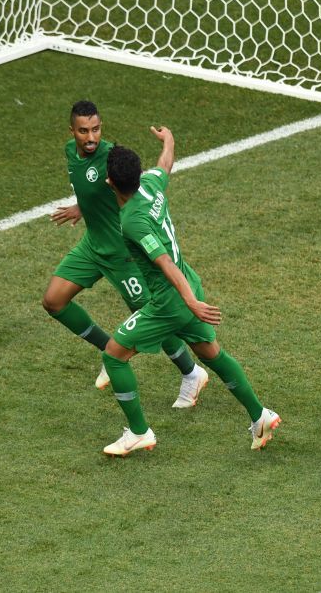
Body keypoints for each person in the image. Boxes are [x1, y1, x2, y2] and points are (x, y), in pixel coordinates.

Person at [98, 125, 280, 456]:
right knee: (212, 354)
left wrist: (190, 302)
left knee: (114, 355)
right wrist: (169, 139)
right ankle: (260, 416)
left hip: (171, 300)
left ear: (111, 183)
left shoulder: (132, 222)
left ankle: (139, 432)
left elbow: (164, 262)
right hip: (187, 282)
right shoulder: (152, 185)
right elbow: (165, 163)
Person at [41, 101, 209, 409]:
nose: (91, 137)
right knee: (53, 301)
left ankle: (191, 372)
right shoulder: (70, 152)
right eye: (83, 131)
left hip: (123, 255)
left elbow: (133, 186)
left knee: (155, 315)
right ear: (72, 131)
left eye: (96, 129)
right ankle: (109, 349)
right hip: (93, 246)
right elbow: (90, 187)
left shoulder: (109, 157)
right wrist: (83, 206)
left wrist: (168, 144)